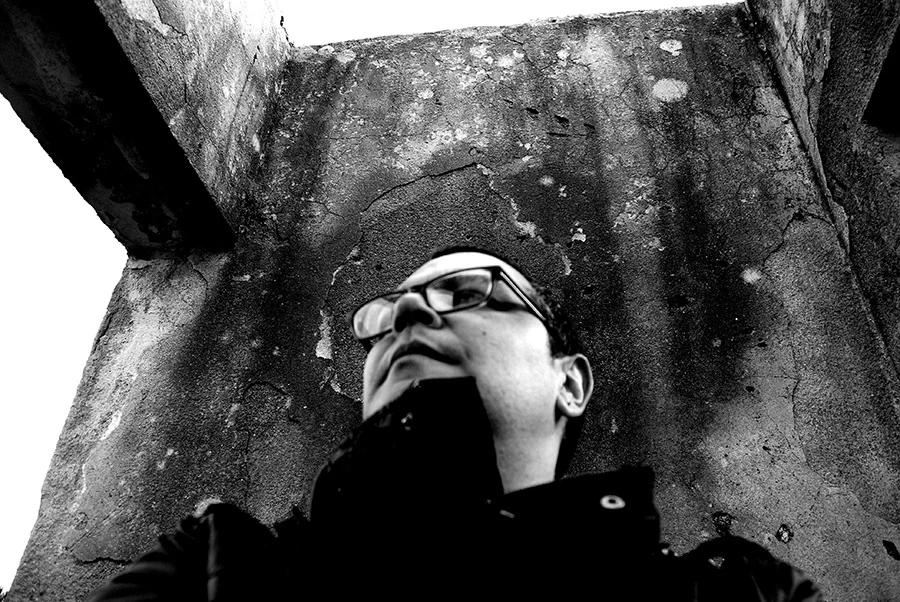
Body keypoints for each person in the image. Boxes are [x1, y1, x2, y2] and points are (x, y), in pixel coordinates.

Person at [87, 246, 822, 601]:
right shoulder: (217, 564)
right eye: (386, 318)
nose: (409, 312)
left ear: (568, 382)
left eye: (468, 291)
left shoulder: (735, 594)